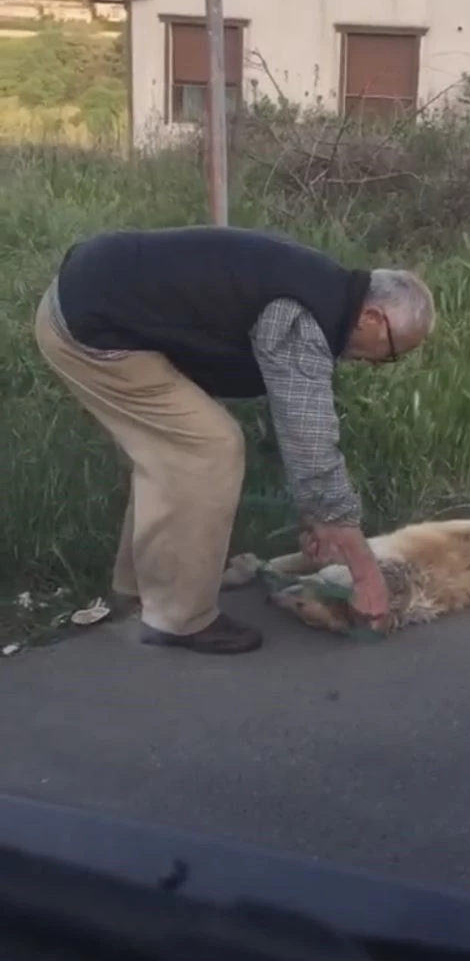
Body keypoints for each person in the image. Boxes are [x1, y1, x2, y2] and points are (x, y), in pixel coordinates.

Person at [34, 226, 436, 656]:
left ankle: (143, 588)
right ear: (372, 318)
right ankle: (178, 618)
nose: (382, 363)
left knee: (177, 452)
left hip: (91, 301)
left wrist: (313, 515)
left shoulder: (324, 295)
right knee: (208, 447)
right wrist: (365, 575)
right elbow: (310, 446)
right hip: (89, 329)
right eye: (392, 351)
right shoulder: (304, 316)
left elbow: (292, 419)